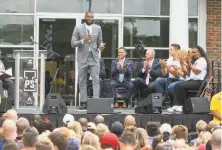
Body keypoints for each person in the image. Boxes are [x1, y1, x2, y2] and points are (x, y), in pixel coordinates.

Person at [71, 11, 105, 109]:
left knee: (96, 79)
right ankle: (84, 102)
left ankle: (95, 102)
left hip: (94, 57)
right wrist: (83, 40)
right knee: (82, 80)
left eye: (92, 17)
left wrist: (101, 47)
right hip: (82, 57)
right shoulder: (78, 28)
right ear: (85, 17)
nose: (90, 19)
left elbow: (100, 42)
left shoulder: (98, 28)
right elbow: (73, 44)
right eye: (89, 17)